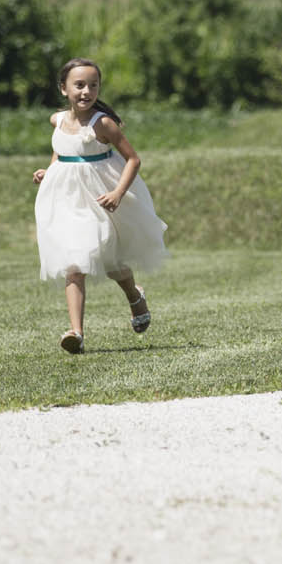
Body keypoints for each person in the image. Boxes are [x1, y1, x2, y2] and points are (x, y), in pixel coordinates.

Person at [31, 58, 167, 354]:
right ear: (64, 88)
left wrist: (118, 193)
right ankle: (76, 333)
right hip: (67, 201)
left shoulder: (102, 124)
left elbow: (134, 159)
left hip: (99, 199)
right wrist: (49, 171)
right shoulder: (57, 120)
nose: (86, 91)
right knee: (75, 264)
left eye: (93, 85)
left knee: (112, 262)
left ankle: (135, 296)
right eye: (79, 85)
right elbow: (61, 151)